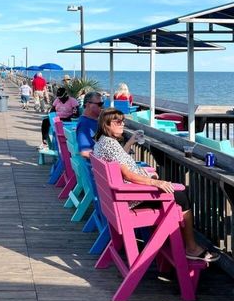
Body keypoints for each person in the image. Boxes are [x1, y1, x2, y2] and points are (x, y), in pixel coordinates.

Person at [93, 107, 219, 263]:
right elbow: (128, 175)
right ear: (106, 124)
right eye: (117, 122)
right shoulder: (110, 144)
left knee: (171, 191)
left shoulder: (102, 142)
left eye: (123, 121)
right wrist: (156, 182)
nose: (122, 124)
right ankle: (191, 247)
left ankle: (172, 242)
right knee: (181, 196)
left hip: (117, 200)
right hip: (130, 199)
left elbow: (120, 162)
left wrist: (131, 143)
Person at [76, 91, 104, 158]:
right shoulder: (84, 124)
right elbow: (85, 152)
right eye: (99, 104)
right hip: (96, 166)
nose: (102, 107)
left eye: (102, 104)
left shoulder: (91, 121)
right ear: (88, 104)